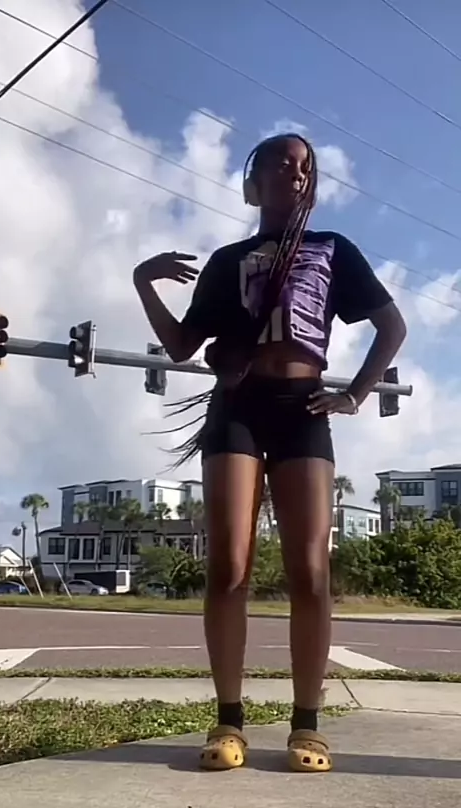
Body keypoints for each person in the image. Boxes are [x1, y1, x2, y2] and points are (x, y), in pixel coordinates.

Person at [133, 133, 406, 774]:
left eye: (306, 165)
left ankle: (306, 724)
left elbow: (391, 327)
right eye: (282, 161)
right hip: (237, 409)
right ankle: (228, 720)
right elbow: (182, 345)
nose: (296, 171)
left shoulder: (334, 250)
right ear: (252, 183)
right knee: (229, 566)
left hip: (303, 410)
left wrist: (355, 395)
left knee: (310, 572)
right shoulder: (228, 260)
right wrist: (143, 283)